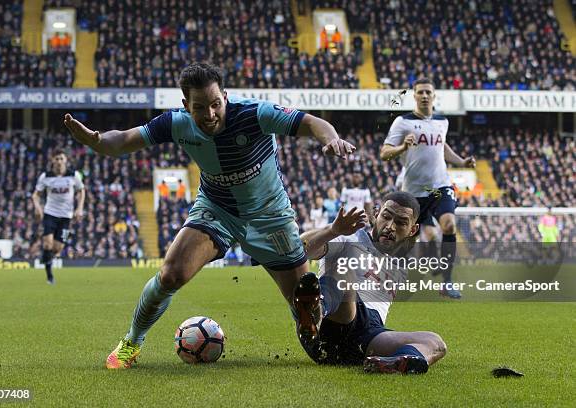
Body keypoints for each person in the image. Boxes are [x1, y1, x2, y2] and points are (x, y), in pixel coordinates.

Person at [63, 62, 355, 369]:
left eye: (216, 104)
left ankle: (315, 316)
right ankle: (131, 342)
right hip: (217, 209)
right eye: (200, 107)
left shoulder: (255, 114)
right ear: (186, 105)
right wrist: (95, 140)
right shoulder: (175, 123)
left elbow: (311, 123)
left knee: (305, 317)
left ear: (226, 97)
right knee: (170, 274)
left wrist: (330, 138)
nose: (210, 114)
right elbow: (122, 141)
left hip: (270, 216)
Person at [298, 192, 447, 374]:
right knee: (346, 263)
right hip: (332, 322)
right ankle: (315, 311)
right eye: (386, 217)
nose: (390, 227)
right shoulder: (350, 237)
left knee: (435, 343)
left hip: (368, 338)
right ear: (376, 214)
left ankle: (393, 363)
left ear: (412, 230)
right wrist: (332, 231)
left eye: (401, 223)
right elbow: (301, 249)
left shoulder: (404, 263)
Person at [380, 78, 476, 299]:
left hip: (439, 186)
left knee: (449, 225)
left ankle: (447, 281)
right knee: (406, 238)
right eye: (420, 92)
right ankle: (395, 279)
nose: (424, 96)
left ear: (434, 96)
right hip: (413, 191)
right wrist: (403, 146)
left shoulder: (442, 121)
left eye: (428, 92)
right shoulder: (402, 122)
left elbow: (442, 147)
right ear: (414, 95)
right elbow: (384, 153)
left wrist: (461, 162)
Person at [31, 149, 85, 284]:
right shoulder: (45, 176)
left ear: (65, 160)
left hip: (66, 217)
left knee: (58, 248)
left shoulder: (74, 175)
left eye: (61, 158)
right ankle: (50, 277)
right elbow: (35, 195)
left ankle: (46, 256)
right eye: (56, 159)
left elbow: (81, 191)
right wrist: (38, 208)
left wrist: (79, 208)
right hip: (50, 214)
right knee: (47, 243)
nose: (59, 161)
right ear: (52, 160)